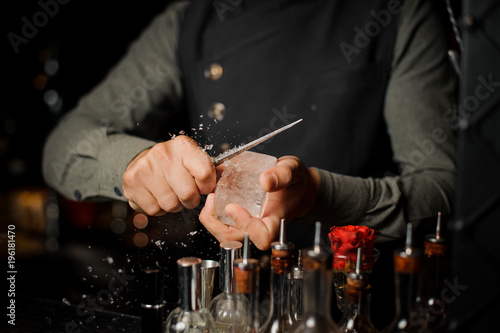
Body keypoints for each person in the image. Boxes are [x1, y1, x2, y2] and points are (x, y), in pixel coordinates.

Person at [42, 0, 457, 251]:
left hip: (353, 302)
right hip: (224, 301)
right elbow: (63, 147)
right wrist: (132, 162)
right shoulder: (189, 20)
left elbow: (445, 190)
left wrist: (319, 195)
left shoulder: (399, 13)